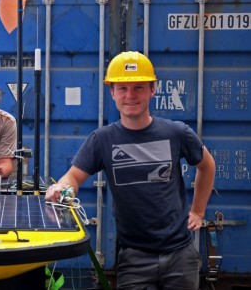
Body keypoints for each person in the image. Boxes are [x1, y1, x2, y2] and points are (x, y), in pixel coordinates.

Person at [45, 51, 215, 290]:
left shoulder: (176, 133)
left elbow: (207, 166)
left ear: (152, 90)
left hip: (180, 256)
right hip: (134, 258)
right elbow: (73, 176)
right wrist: (62, 188)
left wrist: (197, 211)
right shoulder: (102, 139)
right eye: (122, 88)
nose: (130, 95)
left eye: (139, 87)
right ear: (112, 92)